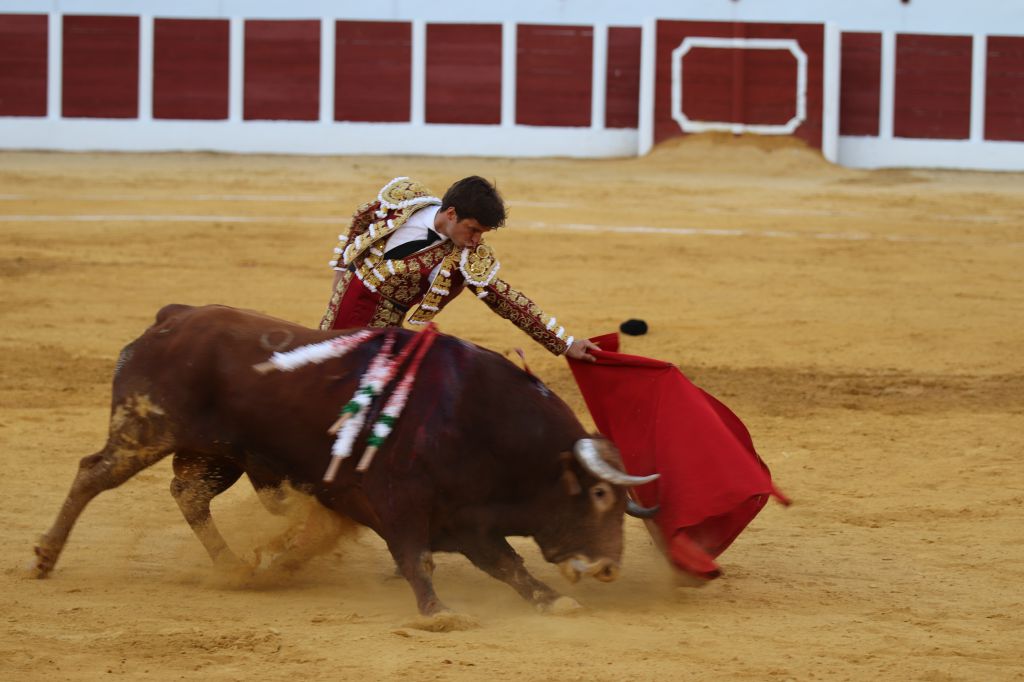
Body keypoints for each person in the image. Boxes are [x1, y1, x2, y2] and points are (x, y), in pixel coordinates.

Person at [319, 175, 599, 361]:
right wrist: (342, 268)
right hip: (339, 306)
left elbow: (507, 300)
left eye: (482, 233)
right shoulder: (405, 202)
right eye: (473, 229)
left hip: (381, 329)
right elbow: (362, 217)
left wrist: (565, 343)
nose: (476, 240)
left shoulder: (466, 259)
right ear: (451, 213)